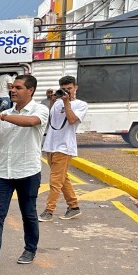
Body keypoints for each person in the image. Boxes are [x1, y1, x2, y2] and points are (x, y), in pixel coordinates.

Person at [0, 74, 49, 270]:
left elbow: (30, 122)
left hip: (28, 172)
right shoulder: (5, 113)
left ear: (30, 90)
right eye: (12, 88)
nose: (13, 91)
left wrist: (0, 117)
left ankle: (30, 249)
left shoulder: (40, 110)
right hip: (3, 172)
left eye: (18, 87)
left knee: (28, 213)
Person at [40, 75, 87, 221]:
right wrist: (53, 100)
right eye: (64, 89)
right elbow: (48, 119)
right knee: (62, 178)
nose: (67, 91)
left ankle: (49, 211)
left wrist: (67, 102)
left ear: (75, 88)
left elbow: (72, 120)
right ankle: (73, 207)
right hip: (51, 145)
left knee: (55, 181)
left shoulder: (81, 105)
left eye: (69, 88)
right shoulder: (57, 103)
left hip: (64, 146)